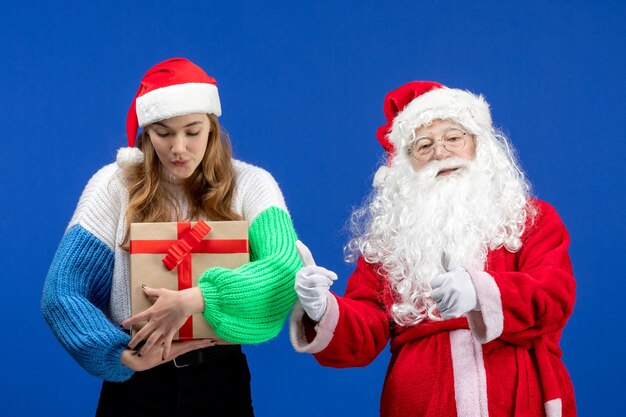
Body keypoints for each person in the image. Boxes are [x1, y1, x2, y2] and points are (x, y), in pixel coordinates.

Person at [289, 81, 576, 417]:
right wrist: (322, 309)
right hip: (420, 402)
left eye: (454, 137)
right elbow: (365, 330)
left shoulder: (530, 219)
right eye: (424, 146)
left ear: (479, 144)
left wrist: (480, 292)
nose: (441, 152)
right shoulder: (389, 241)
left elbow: (555, 293)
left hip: (517, 396)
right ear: (406, 165)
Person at [41, 57, 300, 417]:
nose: (179, 148)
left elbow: (284, 269)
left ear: (212, 127)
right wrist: (119, 356)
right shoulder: (114, 186)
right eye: (164, 132)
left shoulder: (252, 185)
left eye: (192, 131)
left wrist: (196, 299)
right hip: (136, 386)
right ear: (147, 132)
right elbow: (62, 291)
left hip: (222, 382)